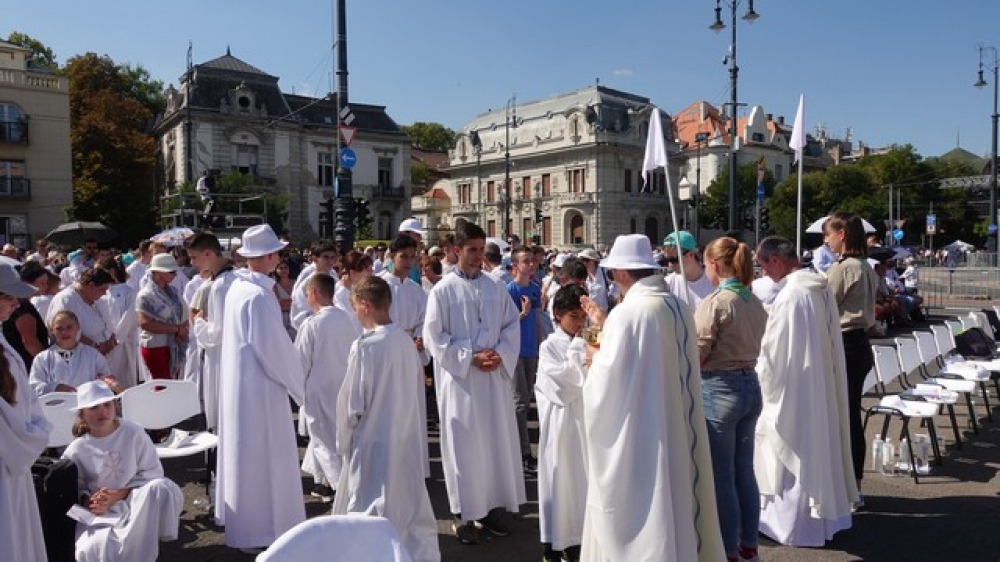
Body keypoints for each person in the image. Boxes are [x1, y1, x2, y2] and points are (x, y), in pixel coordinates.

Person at [580, 233, 724, 562]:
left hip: (642, 427)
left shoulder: (629, 313)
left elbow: (608, 382)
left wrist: (594, 356)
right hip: (677, 420)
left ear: (622, 273)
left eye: (613, 271)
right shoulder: (678, 306)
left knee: (646, 500)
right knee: (678, 491)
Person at [423, 221, 524, 546]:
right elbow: (434, 337)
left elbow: (511, 325)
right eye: (472, 250)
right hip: (461, 384)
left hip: (492, 379)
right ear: (456, 250)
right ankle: (463, 513)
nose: (478, 256)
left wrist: (500, 353)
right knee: (463, 446)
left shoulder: (495, 287)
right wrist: (470, 357)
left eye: (481, 250)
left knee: (492, 444)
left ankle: (488, 507)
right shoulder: (442, 290)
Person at [752, 236, 858, 546]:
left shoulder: (791, 296)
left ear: (775, 260)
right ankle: (818, 523)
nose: (763, 273)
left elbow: (774, 352)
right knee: (817, 446)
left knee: (790, 446)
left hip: (794, 386)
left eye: (763, 266)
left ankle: (788, 526)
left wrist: (758, 372)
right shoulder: (818, 288)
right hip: (817, 380)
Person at [333, 276, 441, 562]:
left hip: (372, 440)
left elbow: (352, 403)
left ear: (365, 305)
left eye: (355, 307)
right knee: (406, 503)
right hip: (404, 436)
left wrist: (343, 440)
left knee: (368, 503)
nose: (355, 314)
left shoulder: (365, 346)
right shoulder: (405, 342)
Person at [217, 224, 306, 552]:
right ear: (269, 256)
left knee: (248, 456)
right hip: (261, 389)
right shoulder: (257, 295)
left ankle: (251, 527)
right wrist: (300, 387)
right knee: (265, 456)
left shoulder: (239, 289)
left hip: (245, 386)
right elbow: (274, 349)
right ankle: (265, 531)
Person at [694, 237, 769, 562]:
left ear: (714, 264)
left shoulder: (716, 302)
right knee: (744, 471)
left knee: (721, 476)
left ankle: (727, 550)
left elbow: (697, 352)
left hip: (719, 387)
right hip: (749, 383)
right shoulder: (753, 300)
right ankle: (748, 545)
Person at [62, 380, 183, 562]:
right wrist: (92, 500)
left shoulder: (133, 433)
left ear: (115, 406)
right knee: (96, 546)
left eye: (107, 405)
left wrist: (119, 494)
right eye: (94, 407)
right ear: (82, 414)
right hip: (100, 511)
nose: (103, 412)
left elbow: (152, 472)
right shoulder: (76, 450)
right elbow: (73, 490)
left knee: (161, 487)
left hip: (134, 499)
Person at [823, 212, 878, 504]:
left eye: (828, 234)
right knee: (851, 415)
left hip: (845, 342)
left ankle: (849, 487)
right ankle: (854, 484)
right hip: (860, 342)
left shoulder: (844, 268)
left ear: (842, 234)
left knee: (844, 417)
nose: (826, 240)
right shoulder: (865, 266)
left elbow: (825, 305)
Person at [0, 263, 52, 562]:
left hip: (14, 459)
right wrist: (34, 436)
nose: (16, 304)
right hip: (8, 458)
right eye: (9, 297)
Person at [536, 284, 589, 562]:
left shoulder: (589, 340)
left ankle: (578, 540)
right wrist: (579, 348)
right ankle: (555, 543)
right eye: (573, 317)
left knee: (582, 483)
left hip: (585, 423)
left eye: (582, 317)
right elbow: (565, 386)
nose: (579, 323)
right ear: (557, 314)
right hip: (561, 425)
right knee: (561, 483)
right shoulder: (549, 347)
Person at [295, 273, 355, 503]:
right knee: (338, 438)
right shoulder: (347, 318)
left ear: (314, 293)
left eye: (307, 294)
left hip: (319, 388)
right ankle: (325, 484)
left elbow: (300, 363)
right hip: (344, 385)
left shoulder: (312, 324)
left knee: (323, 441)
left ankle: (342, 490)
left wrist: (297, 392)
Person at [379, 235, 431, 477]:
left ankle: (413, 466)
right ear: (392, 256)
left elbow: (425, 319)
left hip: (412, 355)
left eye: (413, 257)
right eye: (404, 257)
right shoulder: (380, 286)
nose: (409, 262)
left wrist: (421, 338)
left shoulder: (416, 290)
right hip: (388, 356)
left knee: (413, 410)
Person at [186, 231, 236, 433]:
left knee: (221, 414)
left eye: (194, 257)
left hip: (220, 357)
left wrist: (198, 322)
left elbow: (216, 334)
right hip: (228, 355)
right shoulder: (233, 278)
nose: (192, 263)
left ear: (208, 254)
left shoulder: (221, 286)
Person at [506, 245, 542, 474]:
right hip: (515, 352)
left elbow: (537, 320)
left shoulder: (535, 289)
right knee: (519, 403)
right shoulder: (509, 291)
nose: (531, 265)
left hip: (531, 351)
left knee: (527, 400)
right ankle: (523, 453)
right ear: (515, 266)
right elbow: (504, 324)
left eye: (532, 261)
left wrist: (539, 346)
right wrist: (522, 314)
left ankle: (519, 449)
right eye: (526, 261)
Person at [29, 310, 112, 394]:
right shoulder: (42, 358)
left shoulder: (93, 355)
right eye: (59, 328)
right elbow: (34, 387)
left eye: (69, 327)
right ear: (52, 330)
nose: (64, 332)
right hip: (57, 402)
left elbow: (107, 378)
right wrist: (56, 387)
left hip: (86, 401)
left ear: (78, 327)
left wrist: (108, 382)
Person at [135, 254, 188, 380]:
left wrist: (182, 330)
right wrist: (177, 330)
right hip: (156, 347)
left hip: (174, 345)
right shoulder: (145, 295)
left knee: (173, 385)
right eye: (171, 272)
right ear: (158, 272)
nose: (175, 275)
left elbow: (183, 313)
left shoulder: (173, 291)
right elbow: (145, 323)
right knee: (162, 386)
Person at [47, 267, 117, 357]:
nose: (105, 293)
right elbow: (64, 332)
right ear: (91, 286)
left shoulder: (94, 299)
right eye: (102, 289)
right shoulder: (66, 300)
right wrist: (95, 346)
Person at [98, 256, 140, 389]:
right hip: (104, 343)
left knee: (124, 378)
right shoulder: (103, 293)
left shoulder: (129, 292)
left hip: (123, 343)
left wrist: (115, 340)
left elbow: (129, 317)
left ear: (111, 271)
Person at [2, 260, 49, 371]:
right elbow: (30, 341)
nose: (16, 304)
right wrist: (48, 367)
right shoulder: (24, 307)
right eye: (9, 297)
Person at [290, 239, 340, 330]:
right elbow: (298, 313)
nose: (330, 261)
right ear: (314, 258)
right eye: (326, 257)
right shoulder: (307, 281)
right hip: (316, 328)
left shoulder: (334, 277)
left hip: (335, 326)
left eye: (332, 257)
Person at [663, 230, 714, 309]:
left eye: (674, 260)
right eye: (667, 260)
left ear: (690, 254)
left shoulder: (713, 281)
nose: (670, 265)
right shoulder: (668, 284)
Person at [334, 250, 373, 336]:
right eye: (368, 270)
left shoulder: (360, 288)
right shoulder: (339, 294)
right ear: (353, 273)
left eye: (371, 269)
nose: (371, 273)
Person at [273, 257, 297, 340]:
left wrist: (286, 302)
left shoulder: (296, 282)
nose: (284, 270)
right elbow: (278, 304)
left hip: (295, 314)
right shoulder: (274, 286)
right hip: (282, 318)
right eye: (281, 268)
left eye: (285, 267)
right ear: (276, 270)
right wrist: (292, 302)